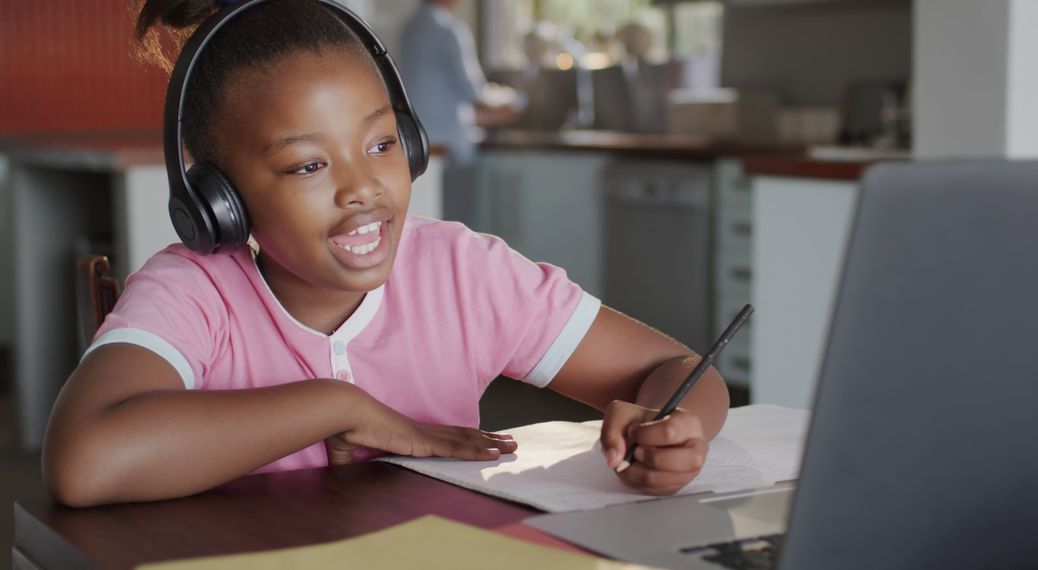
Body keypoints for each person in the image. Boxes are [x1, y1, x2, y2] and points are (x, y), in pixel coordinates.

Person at [41, 0, 729, 508]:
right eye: (308, 166)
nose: (363, 190)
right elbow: (84, 461)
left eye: (380, 146)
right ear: (219, 195)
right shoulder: (192, 292)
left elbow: (677, 369)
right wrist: (337, 406)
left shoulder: (465, 275)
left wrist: (676, 428)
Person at [398, 0, 519, 227]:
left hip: (417, 145)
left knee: (427, 226)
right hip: (451, 148)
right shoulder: (449, 30)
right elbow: (473, 91)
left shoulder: (411, 26)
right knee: (456, 228)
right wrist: (512, 102)